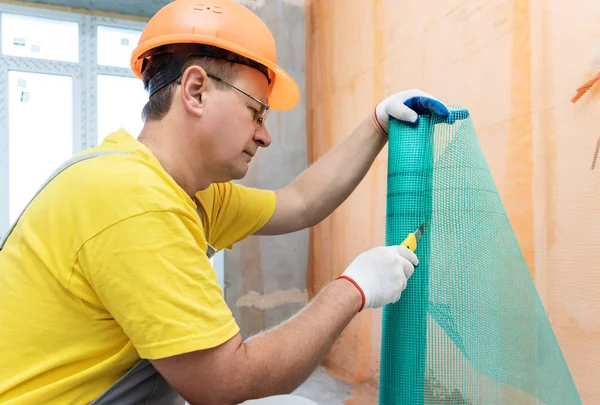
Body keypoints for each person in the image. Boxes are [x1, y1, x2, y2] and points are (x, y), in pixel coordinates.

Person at [0, 0, 450, 404]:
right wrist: (353, 289)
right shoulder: (134, 200)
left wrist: (377, 124)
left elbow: (300, 201)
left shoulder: (184, 189)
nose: (265, 135)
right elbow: (225, 382)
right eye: (256, 112)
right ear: (195, 91)